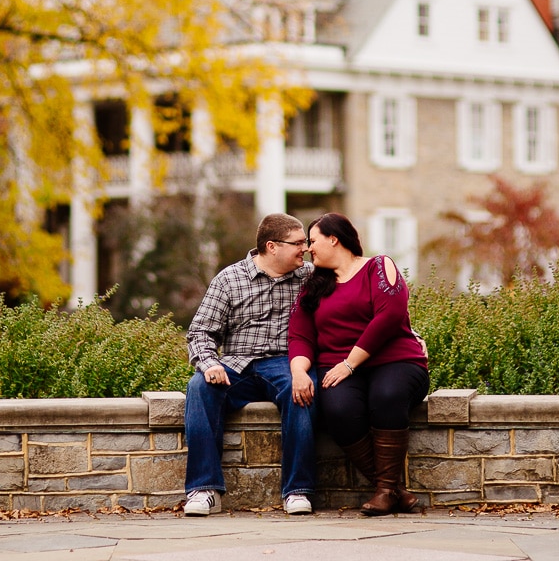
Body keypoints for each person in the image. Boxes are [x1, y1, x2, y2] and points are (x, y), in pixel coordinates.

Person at [289, 212, 429, 516]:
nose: (309, 249)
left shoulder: (379, 267)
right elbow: (300, 336)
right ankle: (393, 490)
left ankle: (383, 492)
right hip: (337, 367)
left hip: (396, 361)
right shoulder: (314, 286)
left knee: (387, 395)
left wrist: (350, 363)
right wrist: (298, 371)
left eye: (313, 241)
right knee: (338, 409)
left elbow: (389, 315)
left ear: (334, 239)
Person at [182, 213, 317, 517]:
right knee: (199, 386)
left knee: (303, 390)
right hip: (237, 365)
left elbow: (353, 308)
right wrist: (208, 363)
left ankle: (297, 490)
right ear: (272, 246)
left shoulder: (310, 277)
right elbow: (201, 331)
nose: (305, 248)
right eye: (298, 243)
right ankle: (204, 489)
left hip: (285, 363)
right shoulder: (230, 279)